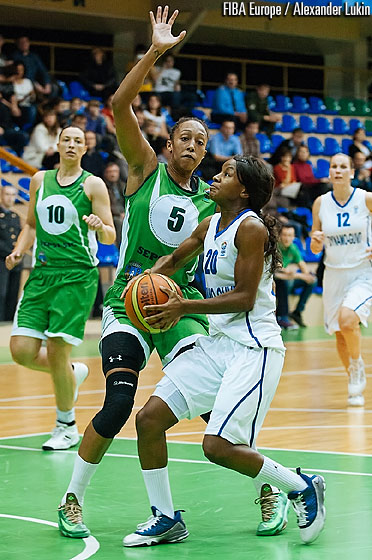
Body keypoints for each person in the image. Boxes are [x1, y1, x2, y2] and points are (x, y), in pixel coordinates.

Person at [57, 7, 288, 541]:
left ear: (208, 155)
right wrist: (156, 51)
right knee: (120, 402)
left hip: (180, 309)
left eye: (202, 142)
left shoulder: (215, 206)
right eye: (185, 137)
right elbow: (118, 103)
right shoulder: (142, 170)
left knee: (218, 408)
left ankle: (270, 487)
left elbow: (233, 260)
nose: (192, 145)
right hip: (130, 304)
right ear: (168, 144)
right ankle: (73, 497)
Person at [122, 155, 326, 547]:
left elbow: (246, 298)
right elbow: (178, 257)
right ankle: (165, 518)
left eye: (228, 174)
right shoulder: (211, 222)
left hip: (254, 348)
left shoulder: (250, 229)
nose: (215, 176)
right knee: (149, 420)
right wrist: (150, 278)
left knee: (216, 446)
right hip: (217, 345)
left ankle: (300, 486)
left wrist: (182, 306)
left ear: (244, 190)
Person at [6, 125, 115, 450]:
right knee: (21, 351)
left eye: (78, 141)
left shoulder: (92, 185)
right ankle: (71, 372)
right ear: (57, 144)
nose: (71, 144)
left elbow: (110, 234)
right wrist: (19, 250)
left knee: (55, 349)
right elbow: (30, 225)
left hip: (76, 275)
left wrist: (100, 226)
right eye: (66, 139)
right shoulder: (40, 180)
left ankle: (66, 426)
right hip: (42, 275)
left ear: (85, 148)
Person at [310, 153, 372, 407]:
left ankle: (357, 366)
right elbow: (315, 248)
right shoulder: (320, 203)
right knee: (339, 333)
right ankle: (353, 377)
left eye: (343, 167)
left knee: (348, 320)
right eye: (334, 166)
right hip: (333, 273)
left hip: (361, 272)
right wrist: (315, 242)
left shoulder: (365, 199)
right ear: (330, 173)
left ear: (352, 172)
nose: (338, 170)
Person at [275, 224, 316, 329]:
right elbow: (279, 271)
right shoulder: (275, 247)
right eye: (284, 235)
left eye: (290, 235)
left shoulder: (293, 248)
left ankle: (297, 312)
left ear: (294, 237)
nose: (287, 238)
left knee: (312, 281)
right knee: (285, 281)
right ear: (279, 236)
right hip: (274, 279)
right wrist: (299, 275)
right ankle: (282, 317)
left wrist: (308, 275)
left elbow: (302, 266)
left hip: (287, 278)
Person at [0, 185, 22, 322]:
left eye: (13, 195)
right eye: (7, 194)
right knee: (1, 293)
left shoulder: (15, 216)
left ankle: (9, 322)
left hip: (15, 260)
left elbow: (19, 237)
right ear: (2, 196)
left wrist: (18, 253)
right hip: (1, 259)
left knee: (13, 292)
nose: (10, 198)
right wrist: (11, 253)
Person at [102, 161, 126, 247]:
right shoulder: (103, 187)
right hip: (112, 215)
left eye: (115, 171)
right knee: (119, 222)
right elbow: (106, 205)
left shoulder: (123, 186)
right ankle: (119, 248)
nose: (113, 174)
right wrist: (120, 214)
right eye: (110, 172)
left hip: (124, 214)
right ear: (105, 174)